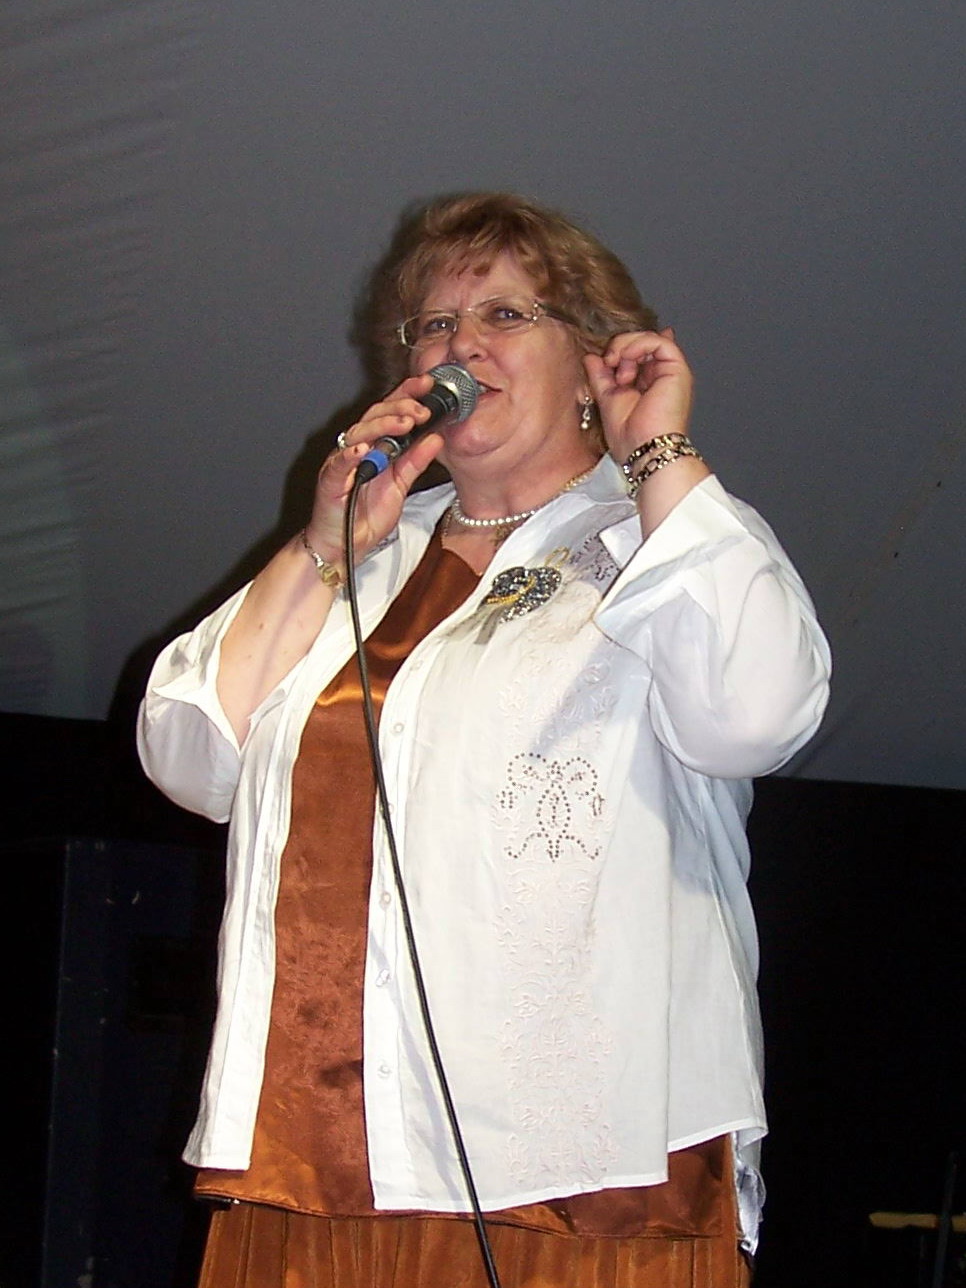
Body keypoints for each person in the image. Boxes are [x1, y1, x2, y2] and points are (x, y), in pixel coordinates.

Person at [138, 192, 830, 1288]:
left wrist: (658, 451)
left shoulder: (656, 539)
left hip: (576, 1178)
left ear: (596, 360)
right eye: (433, 325)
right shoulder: (363, 560)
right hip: (315, 1155)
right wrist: (323, 545)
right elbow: (187, 755)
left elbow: (758, 713)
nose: (459, 345)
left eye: (505, 314)